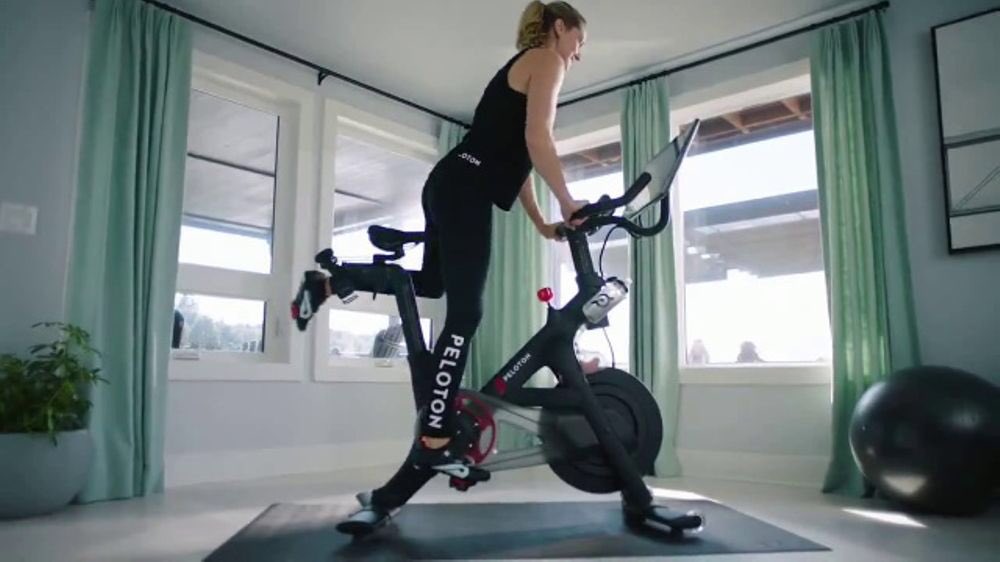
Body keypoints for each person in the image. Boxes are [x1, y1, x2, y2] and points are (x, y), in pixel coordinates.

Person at [293, 1, 591, 534]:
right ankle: (434, 434)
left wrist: (545, 221)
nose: (579, 51)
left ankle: (333, 280)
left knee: (431, 283)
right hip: (462, 191)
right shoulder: (548, 60)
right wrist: (569, 200)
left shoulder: (528, 66)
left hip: (455, 182)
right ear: (560, 27)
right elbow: (537, 140)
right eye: (579, 38)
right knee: (468, 311)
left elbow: (517, 164)